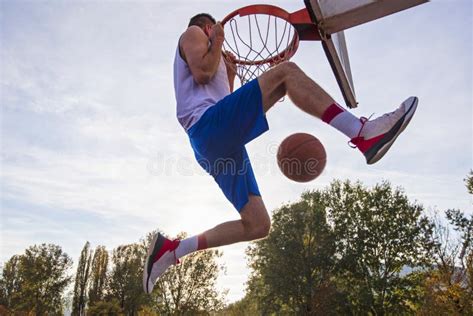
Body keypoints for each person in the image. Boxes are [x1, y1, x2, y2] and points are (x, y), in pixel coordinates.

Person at [143, 13, 418, 293]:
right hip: (207, 127)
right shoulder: (193, 33)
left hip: (214, 141)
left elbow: (224, 104)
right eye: (212, 32)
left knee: (258, 224)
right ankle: (361, 133)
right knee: (287, 72)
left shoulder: (212, 61)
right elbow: (202, 72)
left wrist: (230, 76)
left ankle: (173, 251)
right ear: (208, 27)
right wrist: (218, 37)